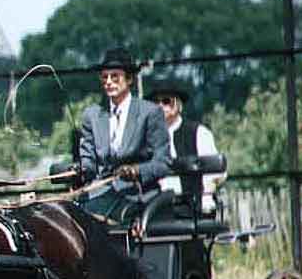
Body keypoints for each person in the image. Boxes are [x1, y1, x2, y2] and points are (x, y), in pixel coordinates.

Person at [78, 47, 171, 226]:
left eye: (115, 77)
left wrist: (137, 171)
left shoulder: (150, 113)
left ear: (129, 79)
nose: (109, 82)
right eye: (104, 77)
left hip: (139, 196)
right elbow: (88, 160)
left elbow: (163, 163)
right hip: (101, 194)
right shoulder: (92, 115)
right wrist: (81, 170)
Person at [145, 82, 226, 214]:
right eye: (155, 103)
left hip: (193, 208)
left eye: (166, 101)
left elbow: (216, 174)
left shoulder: (199, 133)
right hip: (155, 210)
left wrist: (205, 199)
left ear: (179, 106)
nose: (160, 106)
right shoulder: (145, 138)